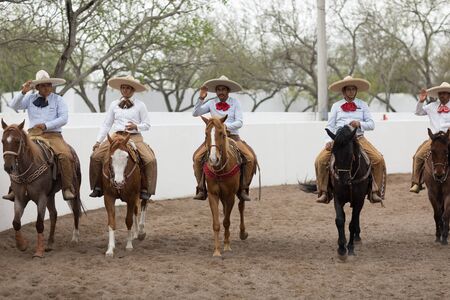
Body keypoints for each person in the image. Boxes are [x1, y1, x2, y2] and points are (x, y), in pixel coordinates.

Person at [3, 70, 76, 200]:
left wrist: (46, 125)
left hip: (53, 135)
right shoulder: (30, 98)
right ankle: (13, 189)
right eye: (43, 85)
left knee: (65, 155)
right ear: (37, 87)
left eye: (48, 85)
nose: (47, 88)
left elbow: (64, 118)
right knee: (17, 154)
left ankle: (67, 187)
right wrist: (23, 92)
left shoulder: (58, 99)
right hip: (32, 134)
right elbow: (13, 105)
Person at [314, 75, 386, 204]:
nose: (351, 91)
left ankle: (375, 191)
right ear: (343, 91)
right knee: (320, 160)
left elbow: (371, 124)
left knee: (378, 159)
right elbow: (330, 125)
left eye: (353, 89)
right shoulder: (336, 106)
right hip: (339, 140)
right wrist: (328, 141)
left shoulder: (363, 105)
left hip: (358, 138)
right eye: (349, 89)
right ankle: (324, 192)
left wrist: (359, 124)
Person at [89, 75, 157, 200]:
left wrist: (136, 126)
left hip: (134, 137)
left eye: (128, 88)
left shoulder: (140, 105)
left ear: (133, 90)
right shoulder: (114, 104)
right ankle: (98, 186)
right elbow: (107, 124)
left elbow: (147, 125)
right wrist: (98, 141)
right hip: (116, 136)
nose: (125, 90)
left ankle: (146, 188)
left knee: (150, 159)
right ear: (120, 89)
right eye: (123, 88)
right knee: (95, 156)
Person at [192, 75, 256, 201]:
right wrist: (201, 98)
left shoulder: (235, 103)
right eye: (218, 89)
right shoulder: (211, 102)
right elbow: (195, 113)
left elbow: (239, 122)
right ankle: (201, 188)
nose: (220, 92)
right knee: (197, 157)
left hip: (232, 136)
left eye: (223, 89)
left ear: (228, 91)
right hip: (214, 138)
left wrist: (224, 127)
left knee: (249, 158)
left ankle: (243, 188)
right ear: (216, 91)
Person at [410, 82, 450, 193]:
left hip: (449, 137)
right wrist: (421, 101)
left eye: (445, 93)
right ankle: (416, 182)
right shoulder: (432, 106)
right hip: (435, 139)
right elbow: (418, 112)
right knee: (418, 156)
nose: (442, 95)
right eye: (440, 93)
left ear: (449, 95)